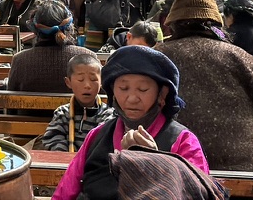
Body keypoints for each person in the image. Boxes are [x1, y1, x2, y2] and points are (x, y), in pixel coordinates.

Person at [158, 0, 253, 196]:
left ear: (172, 24)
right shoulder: (240, 57)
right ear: (216, 23)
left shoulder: (157, 57)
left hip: (174, 172)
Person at [51, 46, 210, 200]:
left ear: (162, 94)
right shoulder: (97, 136)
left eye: (143, 89)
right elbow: (64, 193)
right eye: (123, 88)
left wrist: (157, 164)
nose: (132, 98)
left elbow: (199, 193)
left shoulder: (182, 141)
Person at [9, 0, 93, 93]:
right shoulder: (88, 57)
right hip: (74, 108)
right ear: (70, 27)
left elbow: (9, 99)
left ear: (35, 29)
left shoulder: (20, 60)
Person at [41, 53, 113, 153]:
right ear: (68, 82)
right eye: (80, 80)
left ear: (101, 82)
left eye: (93, 79)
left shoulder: (108, 114)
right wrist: (69, 159)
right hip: (66, 165)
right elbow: (53, 140)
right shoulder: (62, 113)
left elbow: (104, 143)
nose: (87, 85)